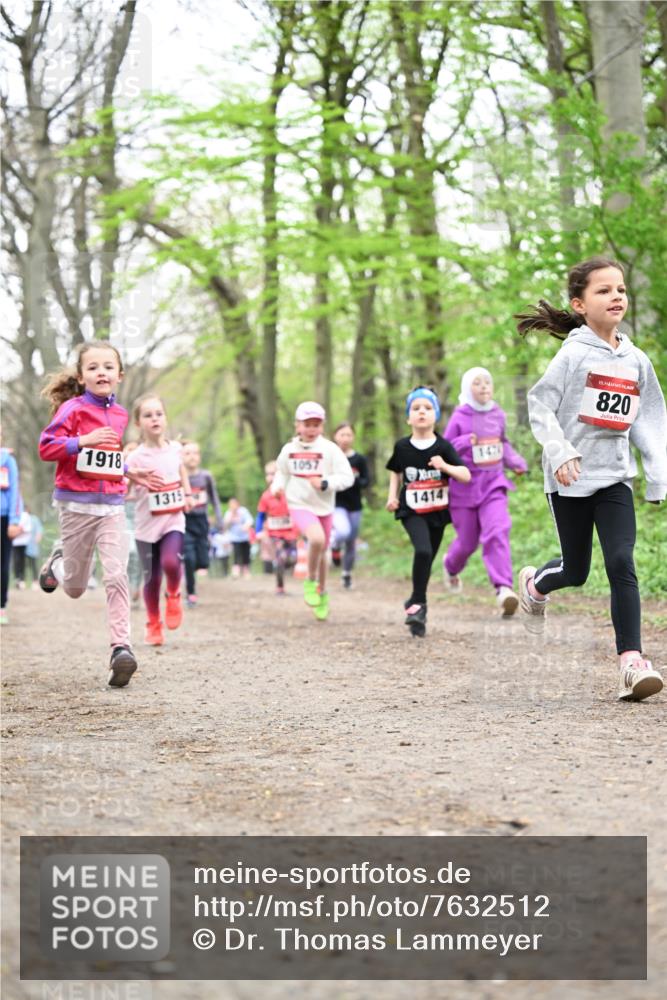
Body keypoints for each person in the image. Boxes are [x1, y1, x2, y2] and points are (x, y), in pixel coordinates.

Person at [515, 255, 667, 702]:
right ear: (579, 304)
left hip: (614, 477)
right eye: (604, 290)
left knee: (622, 562)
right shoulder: (572, 355)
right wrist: (560, 452)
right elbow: (540, 406)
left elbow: (648, 419)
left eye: (620, 289)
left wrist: (656, 473)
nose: (616, 296)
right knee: (577, 571)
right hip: (569, 477)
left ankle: (631, 663)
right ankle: (534, 585)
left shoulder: (636, 360)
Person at [37, 341, 161, 686]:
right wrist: (82, 440)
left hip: (111, 506)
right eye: (93, 367)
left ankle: (121, 648)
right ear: (81, 376)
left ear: (119, 375)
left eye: (108, 367)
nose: (101, 372)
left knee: (116, 574)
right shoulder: (72, 410)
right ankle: (57, 563)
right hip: (75, 505)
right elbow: (46, 447)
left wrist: (129, 473)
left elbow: (106, 461)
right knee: (75, 588)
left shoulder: (121, 415)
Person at [441, 367, 528, 616]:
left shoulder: (497, 414)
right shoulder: (459, 417)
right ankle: (450, 566)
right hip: (463, 490)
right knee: (467, 543)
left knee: (498, 530)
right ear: (467, 388)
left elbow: (503, 444)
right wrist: (463, 442)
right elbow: (444, 450)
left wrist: (516, 461)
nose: (483, 387)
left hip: (493, 485)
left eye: (487, 382)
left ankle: (503, 589)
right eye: (477, 383)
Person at [386, 386, 471, 636]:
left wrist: (445, 466)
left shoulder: (442, 446)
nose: (421, 412)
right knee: (422, 551)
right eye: (416, 408)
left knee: (428, 558)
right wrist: (392, 497)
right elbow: (395, 472)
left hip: (437, 511)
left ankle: (415, 602)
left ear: (435, 415)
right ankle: (418, 605)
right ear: (408, 417)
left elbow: (465, 474)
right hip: (411, 509)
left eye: (427, 408)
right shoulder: (402, 447)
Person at [272, 401, 354, 620]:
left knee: (324, 555)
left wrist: (325, 483)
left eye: (316, 424)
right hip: (298, 503)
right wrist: (277, 486)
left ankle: (322, 590)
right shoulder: (289, 450)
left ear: (322, 426)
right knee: (316, 540)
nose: (311, 429)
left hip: (324, 506)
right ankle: (310, 579)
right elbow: (281, 472)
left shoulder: (330, 449)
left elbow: (347, 477)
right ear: (297, 425)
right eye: (307, 424)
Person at [126, 395, 193, 646]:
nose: (154, 419)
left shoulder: (175, 449)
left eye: (158, 414)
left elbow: (181, 469)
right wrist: (128, 488)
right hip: (146, 524)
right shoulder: (135, 457)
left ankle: (174, 593)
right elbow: (125, 484)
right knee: (151, 578)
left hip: (173, 518)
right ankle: (153, 623)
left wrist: (187, 493)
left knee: (171, 563)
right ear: (137, 423)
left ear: (165, 418)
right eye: (148, 415)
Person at [181, 440, 223, 606]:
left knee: (203, 562)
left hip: (201, 520)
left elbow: (214, 499)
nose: (192, 457)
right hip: (184, 521)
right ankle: (191, 593)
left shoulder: (206, 476)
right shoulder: (178, 477)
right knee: (189, 558)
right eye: (187, 453)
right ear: (181, 457)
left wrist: (219, 518)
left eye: (195, 453)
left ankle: (194, 567)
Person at [331, 423, 370, 589]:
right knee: (343, 531)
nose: (345, 438)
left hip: (355, 505)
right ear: (335, 436)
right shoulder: (331, 457)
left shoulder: (359, 459)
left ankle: (346, 574)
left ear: (353, 437)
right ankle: (334, 546)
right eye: (342, 435)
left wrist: (354, 480)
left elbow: (366, 481)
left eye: (348, 435)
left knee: (351, 541)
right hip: (336, 503)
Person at [256, 460, 299, 595]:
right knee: (280, 557)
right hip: (275, 533)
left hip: (291, 533)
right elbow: (260, 516)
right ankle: (280, 586)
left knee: (292, 558)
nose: (271, 477)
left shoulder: (290, 493)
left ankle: (285, 566)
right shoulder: (265, 496)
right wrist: (258, 532)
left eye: (274, 474)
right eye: (268, 474)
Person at [1, 429, 22, 625]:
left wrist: (15, 521)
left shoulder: (7, 460)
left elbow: (15, 490)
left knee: (3, 563)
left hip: (3, 517)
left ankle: (1, 606)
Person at [223, 498, 254, 578]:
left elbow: (250, 520)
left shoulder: (243, 511)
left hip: (244, 537)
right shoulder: (228, 513)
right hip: (234, 537)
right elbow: (225, 524)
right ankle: (236, 570)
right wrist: (230, 517)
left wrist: (246, 526)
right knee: (236, 553)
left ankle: (246, 570)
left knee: (246, 554)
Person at [11, 506, 33, 589]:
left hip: (23, 542)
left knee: (22, 560)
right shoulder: (13, 514)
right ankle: (17, 579)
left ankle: (22, 579)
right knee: (16, 560)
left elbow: (28, 528)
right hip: (14, 542)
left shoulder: (26, 515)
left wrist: (20, 530)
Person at [25, 507, 44, 589]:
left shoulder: (34, 519)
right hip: (22, 546)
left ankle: (35, 582)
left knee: (33, 565)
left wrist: (38, 538)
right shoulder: (20, 519)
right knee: (22, 565)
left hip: (32, 546)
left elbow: (39, 530)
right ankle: (21, 581)